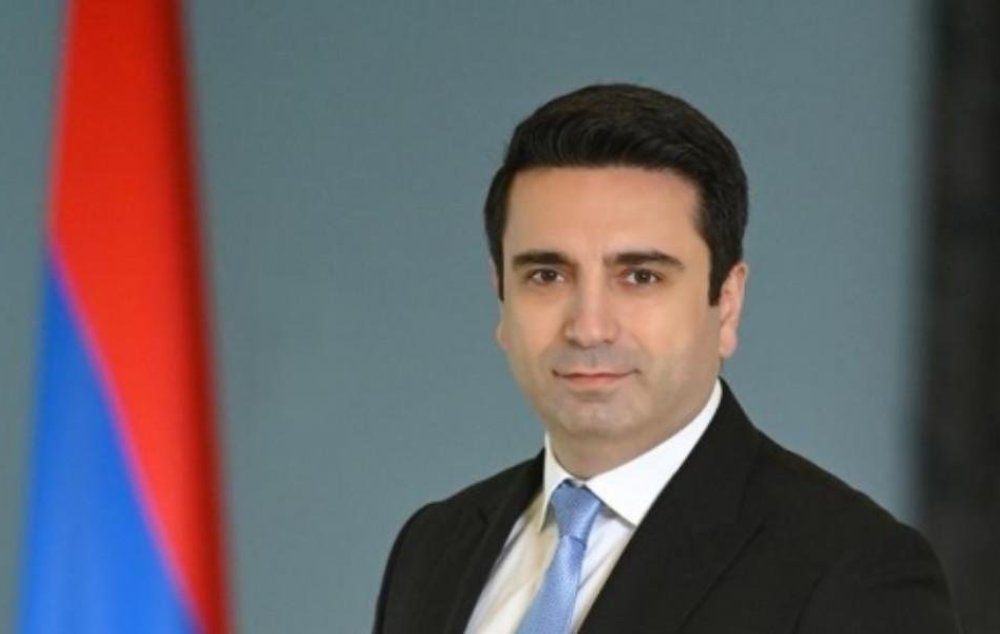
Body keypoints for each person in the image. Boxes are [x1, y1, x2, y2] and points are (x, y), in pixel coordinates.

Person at [373, 84, 960, 633]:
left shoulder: (855, 570)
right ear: (501, 298)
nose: (589, 327)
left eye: (640, 276)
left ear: (726, 303)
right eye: (547, 275)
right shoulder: (435, 546)